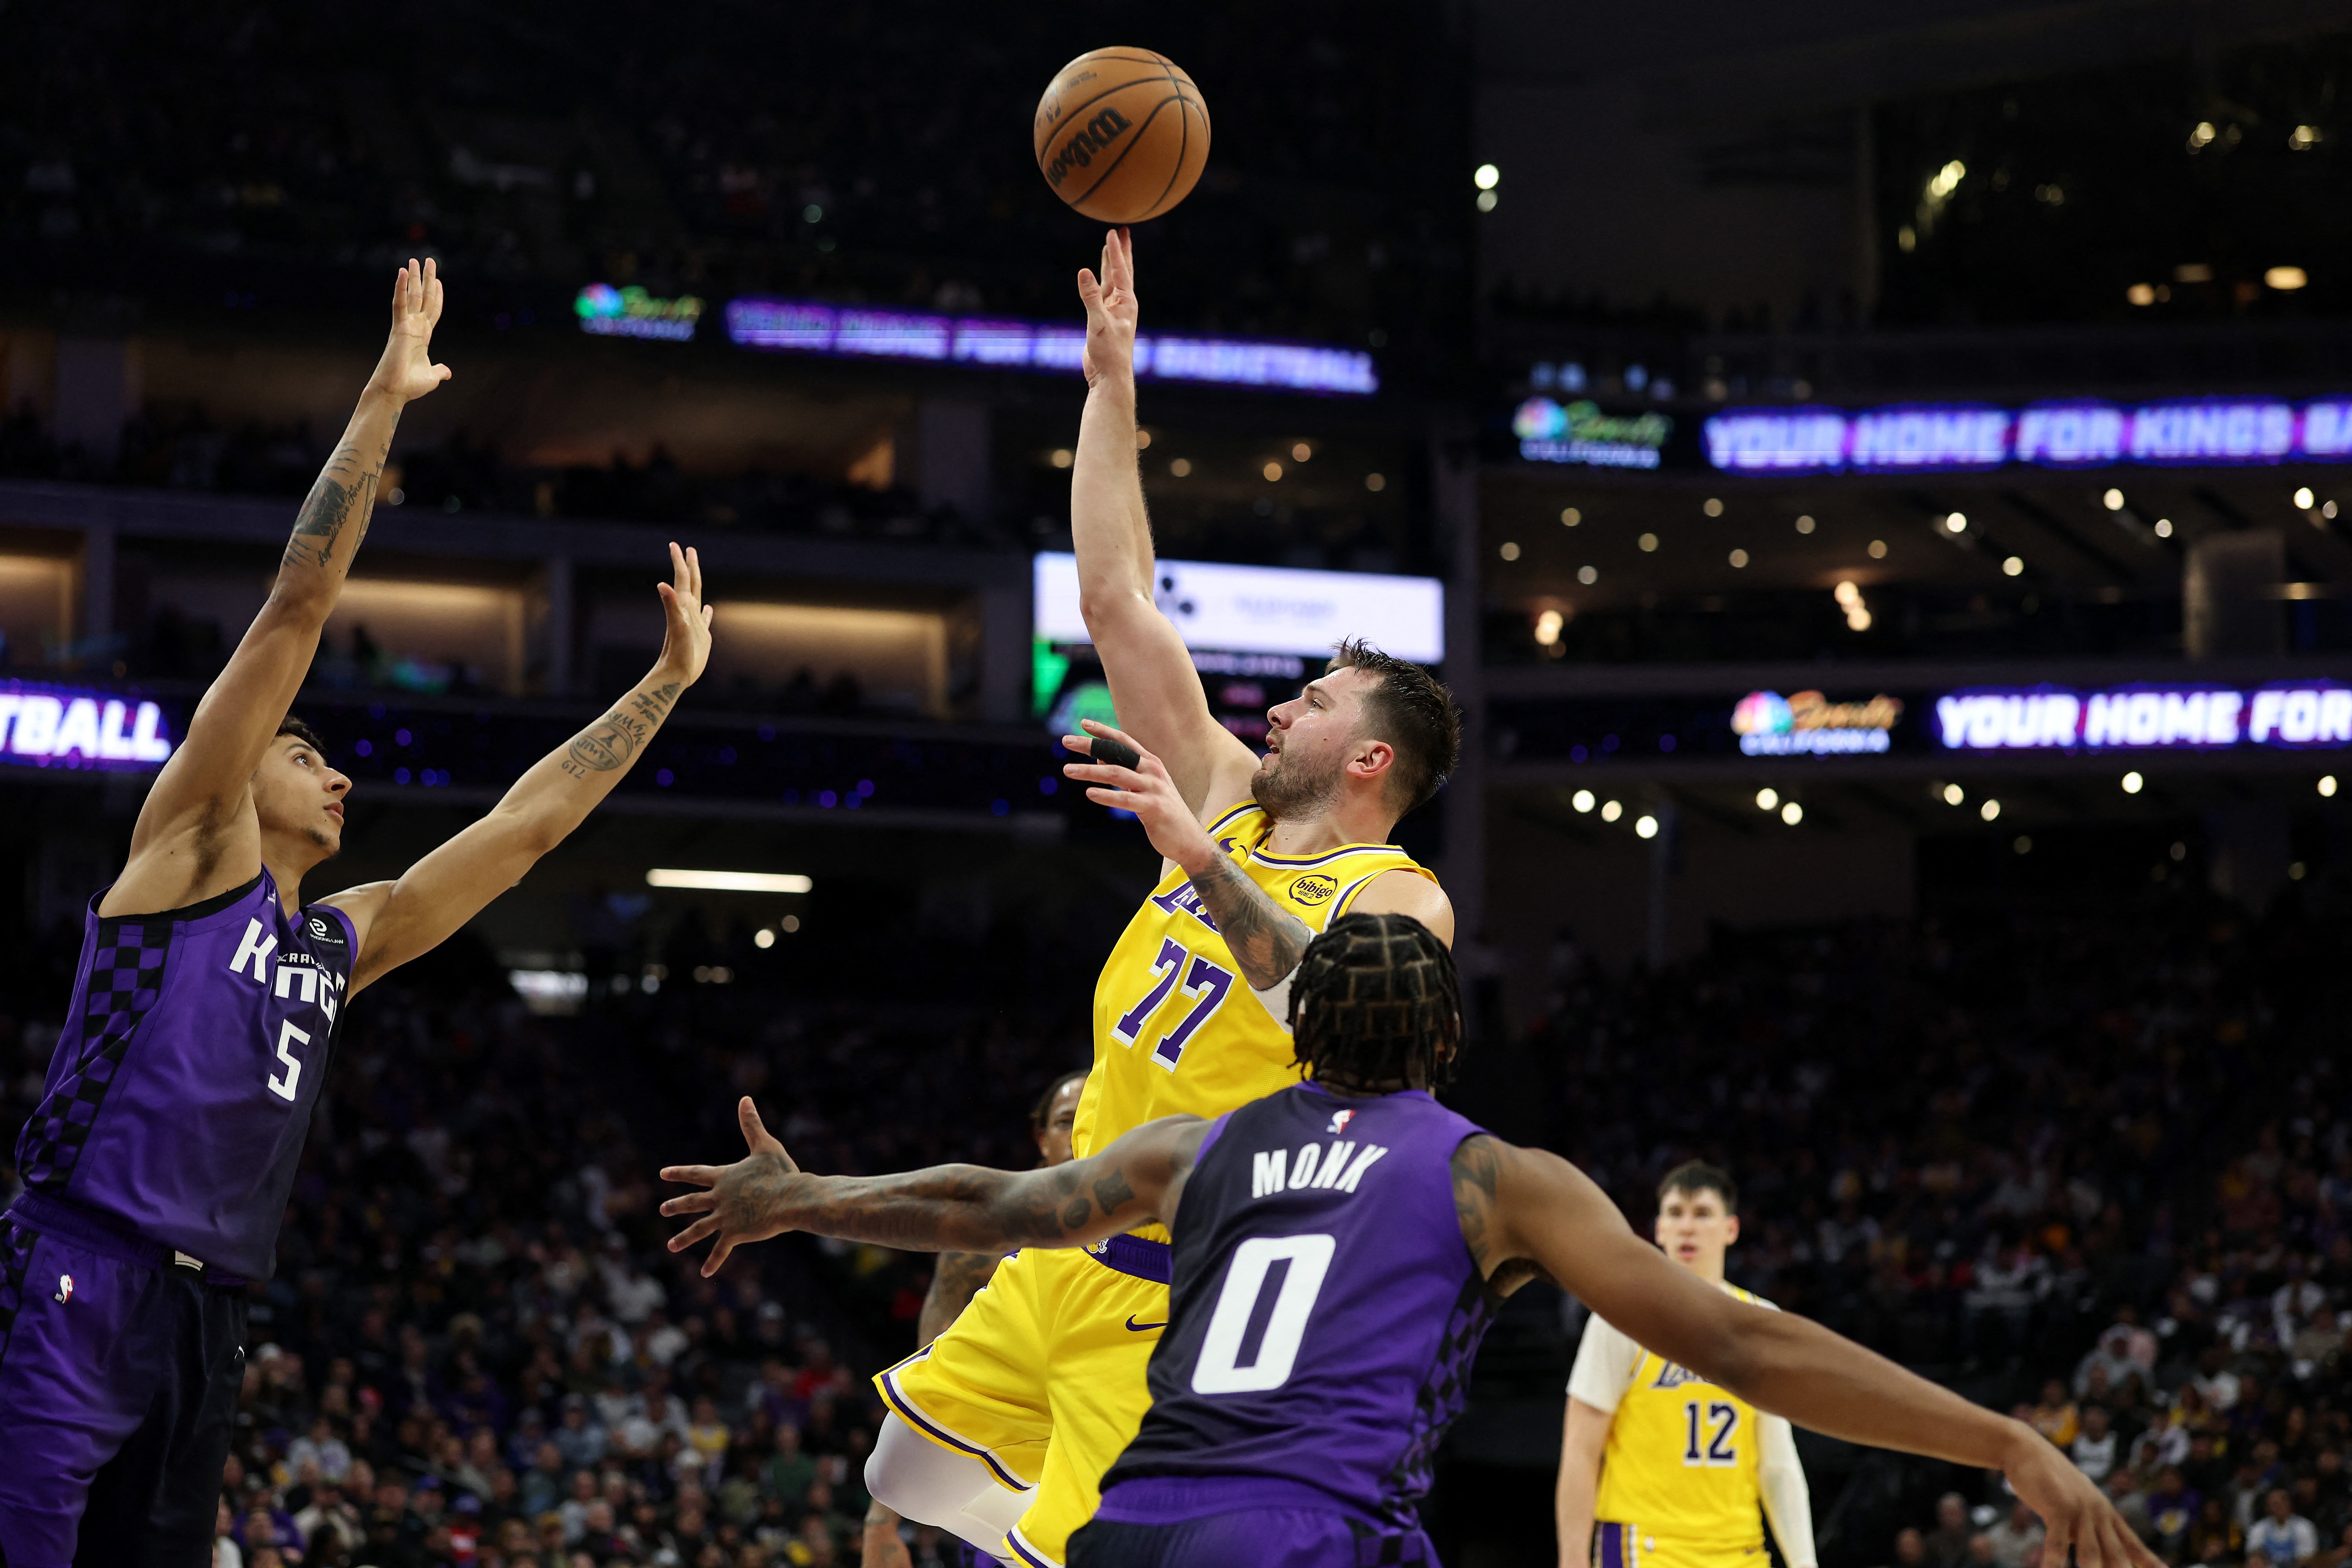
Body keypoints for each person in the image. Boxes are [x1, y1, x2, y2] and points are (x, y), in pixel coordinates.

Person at [661, 914, 2157, 1568]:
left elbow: (994, 1206)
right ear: (1449, 1036)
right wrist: (2006, 1443)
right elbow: (1741, 1339)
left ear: (1293, 1031)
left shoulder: (1200, 1147)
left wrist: (803, 1199)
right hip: (1302, 1527)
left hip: (1133, 1525)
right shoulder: (1492, 1177)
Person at [0, 260, 718, 1566]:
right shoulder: (188, 844)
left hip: (208, 1313)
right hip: (76, 1269)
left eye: (334, 764)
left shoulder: (340, 937)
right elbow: (297, 608)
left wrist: (667, 684)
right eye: (307, 754)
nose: (334, 774)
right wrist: (384, 405)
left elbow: (525, 828)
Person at [857, 225, 1461, 1568]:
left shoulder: (1399, 896)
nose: (1283, 701)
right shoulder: (1232, 794)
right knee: (894, 1516)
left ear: (1370, 757)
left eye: (1313, 700)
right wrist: (1110, 384)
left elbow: (1333, 1003)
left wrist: (1201, 860)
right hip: (1055, 1252)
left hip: (1174, 1299)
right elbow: (1119, 597)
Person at [865, 1070, 1088, 1568]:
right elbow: (930, 1385)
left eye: (1087, 1116)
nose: (1076, 1133)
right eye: (1064, 1121)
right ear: (1041, 1137)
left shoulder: (1152, 1228)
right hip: (1007, 1483)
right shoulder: (988, 1235)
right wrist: (882, 1520)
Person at [1554, 1162, 1816, 1568]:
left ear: (1731, 1229)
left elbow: (1778, 1464)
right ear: (1658, 1229)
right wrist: (1572, 1560)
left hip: (1740, 1549)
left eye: (1702, 1214)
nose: (1687, 1228)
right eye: (1675, 1214)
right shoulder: (1620, 1318)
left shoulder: (1760, 1321)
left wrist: (1803, 1561)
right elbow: (1580, 1451)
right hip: (1644, 1545)